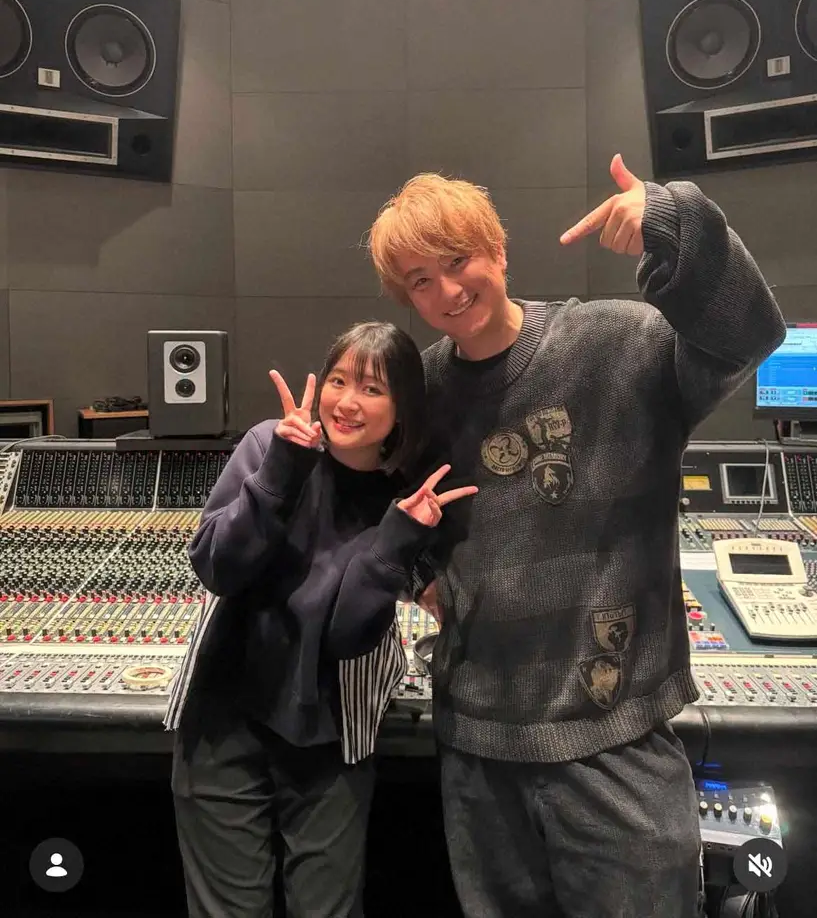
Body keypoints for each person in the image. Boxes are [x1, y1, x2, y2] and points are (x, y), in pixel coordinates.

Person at [366, 155, 787, 918]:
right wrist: (416, 572)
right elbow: (375, 505)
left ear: (496, 250)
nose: (446, 291)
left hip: (614, 745)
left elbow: (747, 334)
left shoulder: (617, 342)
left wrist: (675, 221)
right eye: (420, 281)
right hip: (478, 751)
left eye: (457, 262)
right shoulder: (421, 391)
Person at [163, 320, 477, 918]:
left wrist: (395, 543)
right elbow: (217, 567)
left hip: (333, 732)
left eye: (372, 388)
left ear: (402, 408)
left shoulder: (405, 499)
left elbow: (346, 635)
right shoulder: (269, 445)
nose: (347, 402)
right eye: (338, 380)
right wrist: (281, 471)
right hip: (223, 719)